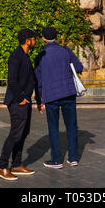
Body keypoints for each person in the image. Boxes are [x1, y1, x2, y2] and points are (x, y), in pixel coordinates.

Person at [34, 27, 83, 168]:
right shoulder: (65, 51)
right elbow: (79, 68)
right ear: (56, 36)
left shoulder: (40, 56)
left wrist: (39, 100)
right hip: (68, 92)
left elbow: (38, 80)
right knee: (72, 126)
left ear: (43, 38)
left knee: (53, 127)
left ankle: (56, 160)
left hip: (51, 95)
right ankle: (73, 158)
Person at [0, 28, 39, 180]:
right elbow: (12, 80)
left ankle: (16, 164)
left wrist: (36, 100)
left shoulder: (25, 56)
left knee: (23, 133)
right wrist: (20, 98)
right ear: (28, 41)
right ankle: (2, 166)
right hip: (17, 101)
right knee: (15, 134)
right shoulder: (16, 56)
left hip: (25, 101)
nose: (35, 41)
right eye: (34, 39)